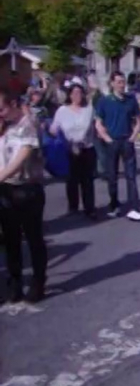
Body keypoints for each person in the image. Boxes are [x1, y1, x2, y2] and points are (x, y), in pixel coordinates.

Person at [0, 88, 48, 303]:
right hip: (6, 190)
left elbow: (21, 156)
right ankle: (15, 282)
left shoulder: (29, 123)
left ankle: (38, 282)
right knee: (10, 240)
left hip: (28, 190)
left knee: (33, 238)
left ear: (13, 104)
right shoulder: (4, 126)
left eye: (1, 109)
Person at [95, 71, 140, 222]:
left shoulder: (131, 100)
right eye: (118, 82)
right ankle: (114, 205)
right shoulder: (105, 101)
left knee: (131, 176)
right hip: (112, 141)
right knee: (112, 176)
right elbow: (98, 123)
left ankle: (134, 207)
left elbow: (138, 120)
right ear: (112, 84)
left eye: (123, 82)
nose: (121, 85)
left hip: (126, 140)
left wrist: (132, 137)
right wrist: (107, 138)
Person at [50, 80, 97, 220]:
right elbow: (54, 129)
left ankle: (89, 208)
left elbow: (98, 124)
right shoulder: (62, 111)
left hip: (87, 148)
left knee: (87, 181)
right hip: (70, 149)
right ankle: (73, 207)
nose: (77, 95)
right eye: (74, 93)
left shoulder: (89, 109)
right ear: (69, 95)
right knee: (72, 180)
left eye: (79, 92)